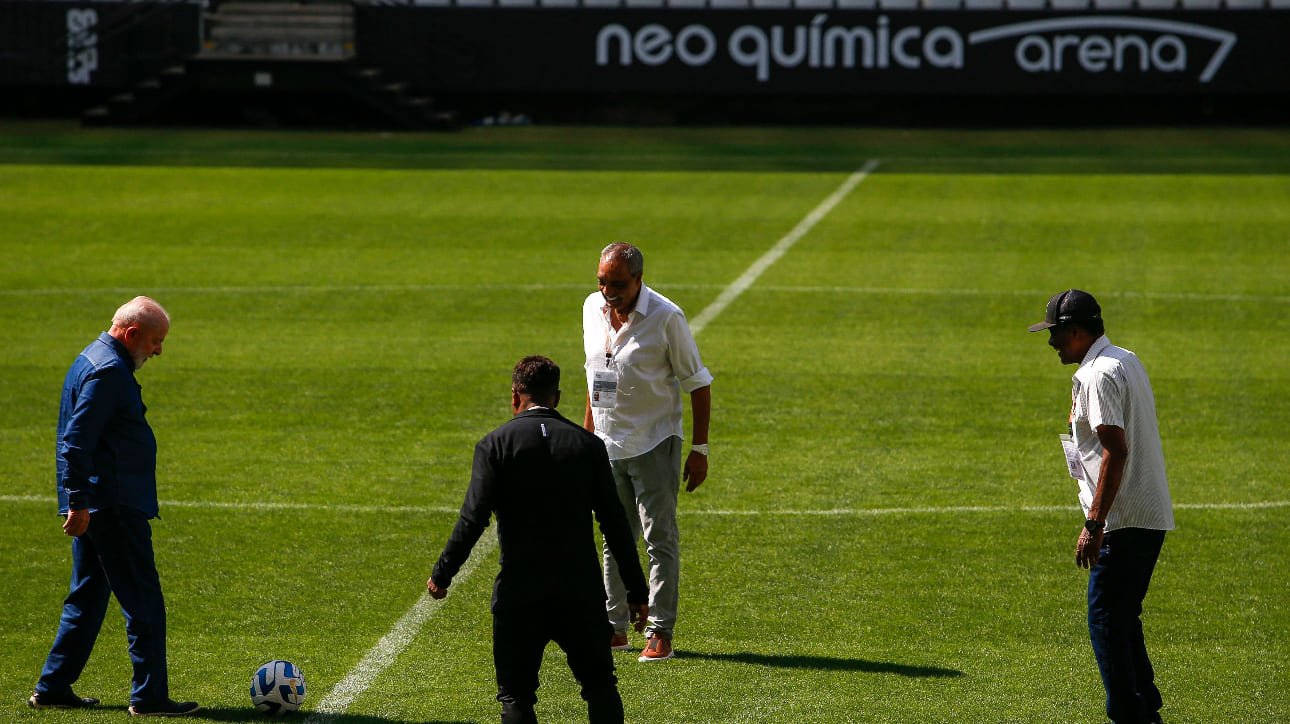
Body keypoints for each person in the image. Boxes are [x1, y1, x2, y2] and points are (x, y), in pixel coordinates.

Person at [427, 355, 649, 724]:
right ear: (557, 397)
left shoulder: (494, 445)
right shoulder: (588, 447)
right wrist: (637, 592)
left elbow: (472, 519)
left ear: (515, 395)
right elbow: (616, 525)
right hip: (580, 592)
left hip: (519, 592)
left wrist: (443, 573)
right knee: (600, 686)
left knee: (516, 697)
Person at [31, 296, 201, 717]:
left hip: (101, 502)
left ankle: (52, 686)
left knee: (87, 596)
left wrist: (80, 501)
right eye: (156, 341)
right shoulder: (108, 372)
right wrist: (78, 502)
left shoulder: (93, 358)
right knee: (143, 599)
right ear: (131, 334)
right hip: (113, 504)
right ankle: (149, 697)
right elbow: (76, 441)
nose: (159, 350)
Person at [1029, 289, 1175, 724]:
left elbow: (1115, 449)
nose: (1051, 342)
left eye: (1055, 333)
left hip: (1123, 520)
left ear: (1075, 331)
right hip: (1147, 514)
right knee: (1123, 616)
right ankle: (1145, 706)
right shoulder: (1124, 359)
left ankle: (1128, 713)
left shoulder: (1097, 375)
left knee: (1106, 622)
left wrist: (1094, 523)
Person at [582, 242, 713, 662]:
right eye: (602, 282)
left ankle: (660, 631)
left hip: (655, 443)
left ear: (638, 279)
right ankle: (614, 627)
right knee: (614, 539)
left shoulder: (666, 317)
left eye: (617, 284)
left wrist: (700, 449)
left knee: (659, 538)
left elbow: (698, 382)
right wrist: (586, 441)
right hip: (606, 444)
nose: (608, 292)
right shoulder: (590, 308)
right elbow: (593, 374)